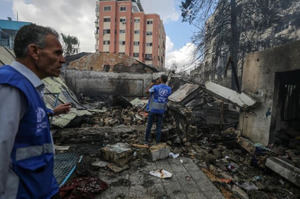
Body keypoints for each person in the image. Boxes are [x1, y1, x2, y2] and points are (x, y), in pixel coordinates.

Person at [0, 24, 71, 199]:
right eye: (57, 53)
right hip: (21, 192)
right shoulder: (10, 86)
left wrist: (52, 112)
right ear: (34, 51)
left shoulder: (29, 86)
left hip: (39, 187)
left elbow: (28, 123)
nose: (62, 60)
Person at [145, 74, 172, 144]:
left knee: (149, 125)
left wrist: (151, 85)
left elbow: (147, 92)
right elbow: (168, 98)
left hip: (153, 108)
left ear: (160, 79)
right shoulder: (169, 89)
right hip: (161, 109)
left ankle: (146, 140)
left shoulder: (155, 87)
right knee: (159, 126)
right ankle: (157, 142)